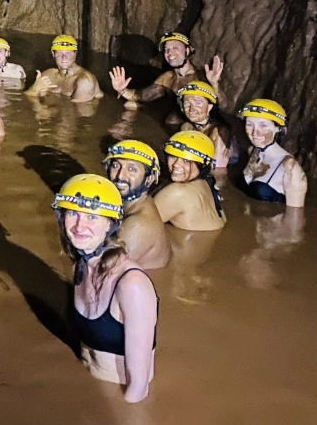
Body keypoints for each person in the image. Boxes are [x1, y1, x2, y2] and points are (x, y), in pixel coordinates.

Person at [52, 173, 157, 403]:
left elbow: (139, 388)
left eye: (92, 217)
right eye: (73, 213)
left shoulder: (132, 285)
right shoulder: (80, 265)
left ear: (110, 223)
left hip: (115, 396)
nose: (80, 226)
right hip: (85, 381)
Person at [109, 32, 224, 110]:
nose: (170, 53)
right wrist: (122, 90)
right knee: (130, 105)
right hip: (174, 119)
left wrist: (214, 83)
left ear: (187, 51)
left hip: (195, 125)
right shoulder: (168, 78)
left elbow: (222, 106)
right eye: (167, 50)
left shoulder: (200, 76)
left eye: (175, 48)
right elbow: (142, 96)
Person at [103, 140, 170, 269]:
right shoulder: (136, 204)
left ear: (149, 179)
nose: (120, 175)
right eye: (116, 166)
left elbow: (104, 273)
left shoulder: (138, 225)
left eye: (132, 169)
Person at [239, 99, 307, 207]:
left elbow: (295, 216)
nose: (255, 133)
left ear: (278, 128)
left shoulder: (290, 168)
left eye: (263, 125)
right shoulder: (253, 151)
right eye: (250, 125)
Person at [154, 131, 225, 231]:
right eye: (173, 156)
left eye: (186, 161)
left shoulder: (177, 192)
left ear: (202, 165)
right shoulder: (208, 182)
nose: (176, 164)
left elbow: (138, 226)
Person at [176, 81, 238, 168]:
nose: (191, 109)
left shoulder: (219, 132)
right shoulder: (186, 127)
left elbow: (217, 169)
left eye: (197, 103)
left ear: (209, 107)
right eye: (187, 103)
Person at [25, 35, 102, 102]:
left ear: (75, 54)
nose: (64, 57)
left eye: (68, 53)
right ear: (53, 54)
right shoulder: (49, 75)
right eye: (59, 53)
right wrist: (34, 89)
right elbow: (24, 100)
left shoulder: (85, 80)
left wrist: (44, 108)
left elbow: (76, 112)